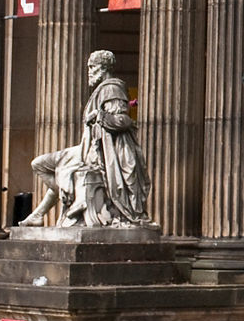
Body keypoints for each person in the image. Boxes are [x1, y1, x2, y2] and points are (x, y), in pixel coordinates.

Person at [20, 50, 151, 227]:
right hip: (87, 148)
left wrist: (99, 116)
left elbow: (123, 120)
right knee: (40, 164)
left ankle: (46, 210)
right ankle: (54, 206)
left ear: (104, 69)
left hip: (101, 153)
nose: (89, 71)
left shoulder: (112, 88)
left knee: (54, 167)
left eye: (92, 67)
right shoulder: (102, 90)